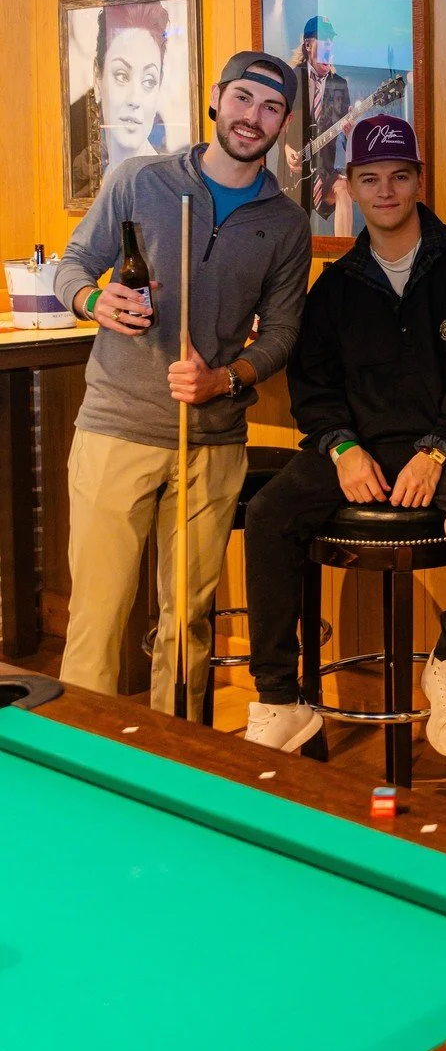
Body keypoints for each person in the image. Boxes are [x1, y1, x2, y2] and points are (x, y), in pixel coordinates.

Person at [242, 114, 446, 757]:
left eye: (399, 176)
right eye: (371, 179)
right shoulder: (335, 284)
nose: (386, 191)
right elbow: (314, 386)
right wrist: (340, 446)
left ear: (419, 181)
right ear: (351, 188)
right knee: (268, 512)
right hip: (361, 447)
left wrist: (438, 450)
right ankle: (280, 698)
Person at [54, 52, 310, 717]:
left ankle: (176, 766)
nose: (252, 117)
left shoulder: (285, 224)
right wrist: (93, 301)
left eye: (271, 107)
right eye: (243, 98)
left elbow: (281, 334)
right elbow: (76, 263)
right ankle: (82, 774)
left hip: (212, 441)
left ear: (284, 122)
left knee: (189, 624)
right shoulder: (141, 181)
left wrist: (224, 378)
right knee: (98, 619)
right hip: (116, 429)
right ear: (217, 99)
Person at [70, 0, 172, 204]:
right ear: (97, 80)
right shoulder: (83, 174)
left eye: (149, 81)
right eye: (122, 76)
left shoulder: (168, 185)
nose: (135, 99)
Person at [286, 14, 352, 231]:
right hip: (294, 173)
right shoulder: (291, 79)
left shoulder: (339, 84)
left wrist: (349, 134)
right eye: (324, 41)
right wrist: (286, 149)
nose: (329, 48)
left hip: (324, 170)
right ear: (307, 45)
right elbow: (277, 122)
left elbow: (345, 142)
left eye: (331, 42)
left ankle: (344, 256)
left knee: (343, 188)